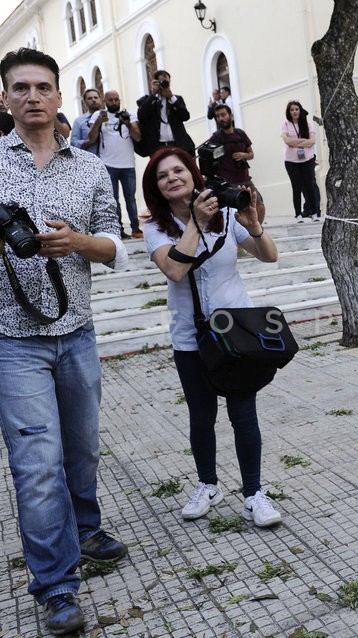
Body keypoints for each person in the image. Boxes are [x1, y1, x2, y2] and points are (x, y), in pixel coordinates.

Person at [0, 47, 129, 635]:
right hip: (12, 341)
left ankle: (85, 526)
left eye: (43, 87)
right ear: (4, 98)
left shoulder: (91, 168)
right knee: (37, 466)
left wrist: (78, 243)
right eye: (20, 88)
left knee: (81, 448)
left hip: (77, 333)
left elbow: (115, 248)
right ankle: (56, 585)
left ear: (59, 99)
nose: (32, 97)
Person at [140, 146, 284, 528]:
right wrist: (196, 224)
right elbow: (173, 269)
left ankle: (253, 494)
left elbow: (269, 255)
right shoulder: (154, 226)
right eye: (162, 175)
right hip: (191, 337)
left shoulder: (225, 214)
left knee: (243, 413)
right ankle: (208, 484)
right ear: (155, 187)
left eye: (178, 171)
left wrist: (252, 223)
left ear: (192, 174)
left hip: (237, 334)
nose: (171, 178)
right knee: (201, 415)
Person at [88, 90, 142, 238]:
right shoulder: (98, 115)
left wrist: (128, 123)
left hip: (128, 164)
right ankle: (118, 231)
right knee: (113, 199)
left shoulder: (129, 116)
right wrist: (98, 122)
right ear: (105, 101)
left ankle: (136, 229)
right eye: (110, 100)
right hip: (108, 164)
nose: (113, 102)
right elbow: (91, 138)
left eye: (116, 99)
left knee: (130, 198)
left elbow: (137, 137)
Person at [208, 103, 266, 223]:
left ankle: (257, 232)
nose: (221, 118)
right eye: (218, 116)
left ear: (231, 116)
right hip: (227, 183)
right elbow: (209, 159)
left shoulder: (240, 133)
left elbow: (251, 154)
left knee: (259, 205)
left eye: (223, 115)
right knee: (234, 213)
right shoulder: (216, 137)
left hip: (245, 179)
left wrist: (243, 155)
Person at [136, 69, 195, 156]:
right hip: (158, 147)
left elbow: (185, 116)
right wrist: (153, 95)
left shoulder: (176, 99)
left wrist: (171, 98)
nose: (164, 85)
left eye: (167, 82)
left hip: (177, 144)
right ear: (155, 83)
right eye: (161, 82)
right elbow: (141, 116)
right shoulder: (148, 100)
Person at [280, 100, 322, 222]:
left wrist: (296, 142)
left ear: (300, 110)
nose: (294, 112)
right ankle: (298, 214)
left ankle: (314, 213)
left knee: (310, 186)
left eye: (296, 109)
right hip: (291, 161)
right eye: (292, 110)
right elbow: (287, 142)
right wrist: (304, 141)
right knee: (296, 187)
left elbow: (312, 141)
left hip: (307, 159)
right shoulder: (285, 125)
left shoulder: (308, 124)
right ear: (289, 112)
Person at [70, 87, 103, 155]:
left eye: (96, 97)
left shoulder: (109, 117)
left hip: (111, 161)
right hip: (91, 161)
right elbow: (73, 143)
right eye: (89, 98)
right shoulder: (79, 121)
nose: (93, 100)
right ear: (84, 102)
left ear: (100, 99)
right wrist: (89, 141)